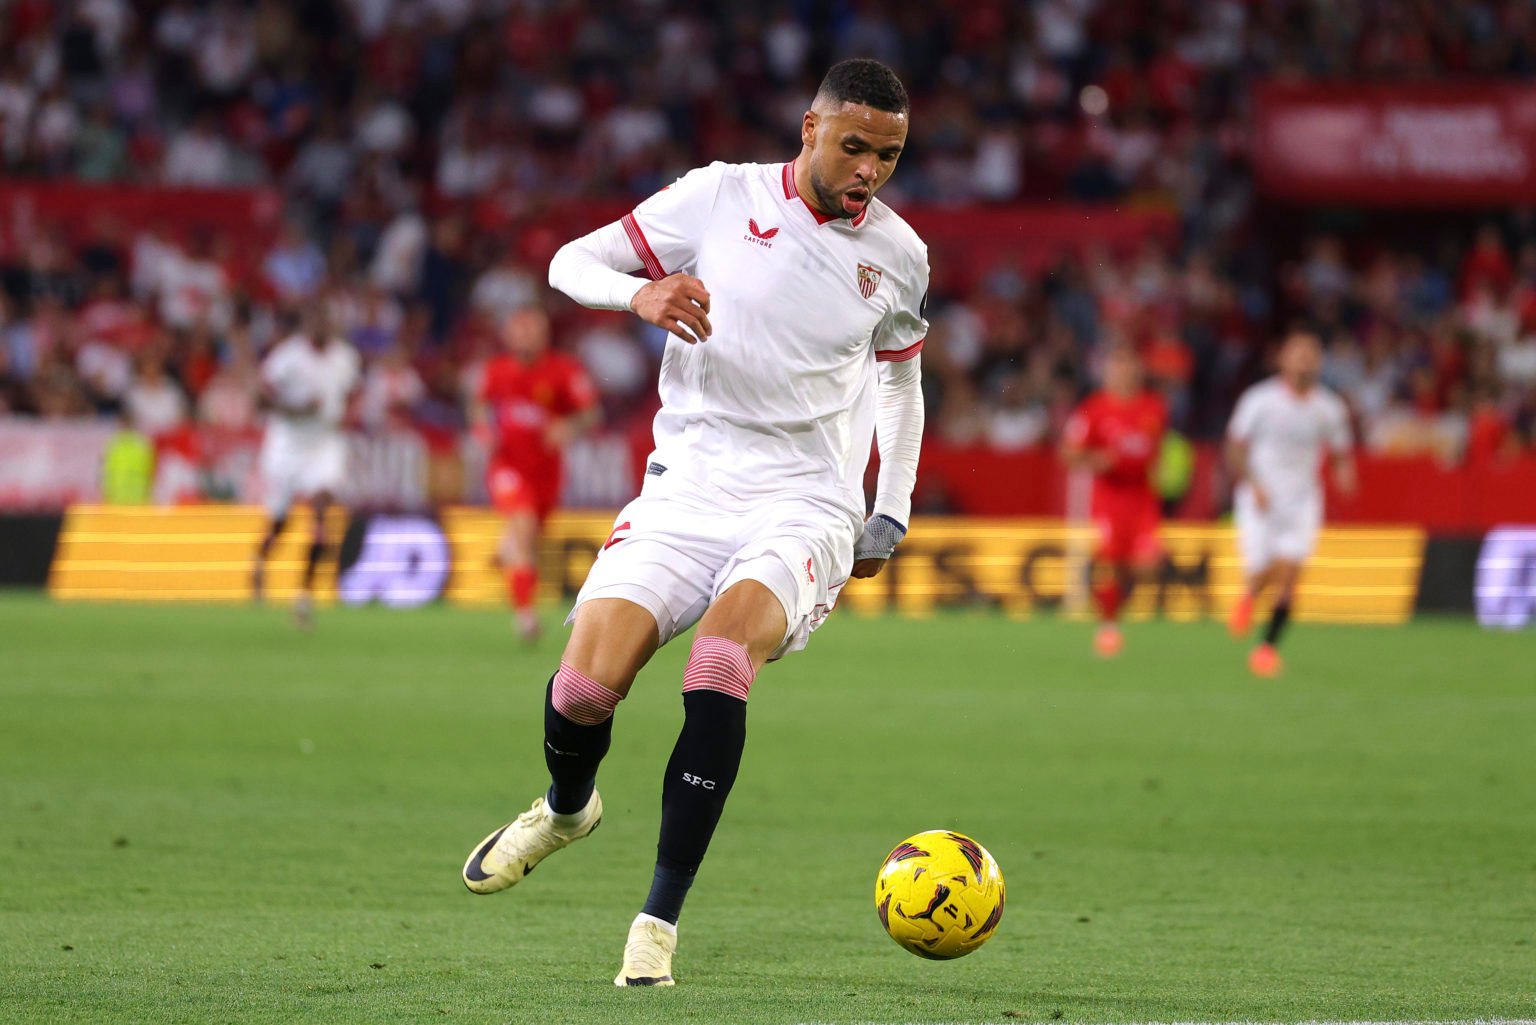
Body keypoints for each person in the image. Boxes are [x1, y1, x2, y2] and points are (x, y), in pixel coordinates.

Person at [459, 59, 928, 986]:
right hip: (688, 485)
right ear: (810, 129)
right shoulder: (718, 198)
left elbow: (900, 378)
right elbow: (567, 263)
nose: (870, 169)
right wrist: (640, 294)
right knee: (584, 692)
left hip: (805, 499)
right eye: (855, 146)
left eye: (889, 154)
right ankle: (566, 808)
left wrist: (892, 508)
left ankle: (656, 923)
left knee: (719, 663)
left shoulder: (900, 256)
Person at [1226, 330, 1357, 677]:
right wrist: (1253, 483)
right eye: (1298, 354)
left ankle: (1267, 648)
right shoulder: (1260, 400)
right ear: (1282, 359)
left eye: (1311, 355)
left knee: (1290, 573)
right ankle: (1249, 595)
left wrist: (1345, 474)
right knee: (1262, 571)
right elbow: (1235, 446)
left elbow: (1342, 451)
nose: (1305, 361)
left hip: (1302, 501)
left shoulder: (1329, 407)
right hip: (1260, 499)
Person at [473, 305, 600, 641]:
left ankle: (507, 553)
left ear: (544, 334)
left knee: (524, 539)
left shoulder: (564, 371)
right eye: (520, 328)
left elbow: (590, 414)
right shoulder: (496, 370)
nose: (525, 335)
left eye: (532, 329)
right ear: (508, 334)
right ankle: (526, 616)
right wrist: (483, 431)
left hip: (547, 471)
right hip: (507, 466)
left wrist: (567, 427)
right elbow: (478, 406)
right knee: (524, 525)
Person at [251, 307, 361, 628]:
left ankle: (304, 594)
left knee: (322, 508)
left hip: (325, 442)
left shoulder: (345, 357)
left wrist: (346, 413)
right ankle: (260, 559)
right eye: (316, 321)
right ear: (306, 325)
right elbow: (261, 398)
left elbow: (352, 391)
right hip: (288, 442)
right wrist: (295, 409)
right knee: (281, 520)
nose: (322, 327)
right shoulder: (286, 358)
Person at [1061, 346, 1168, 657]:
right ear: (1107, 372)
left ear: (1137, 370)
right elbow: (1068, 453)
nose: (1123, 372)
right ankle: (1108, 626)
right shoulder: (1093, 410)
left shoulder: (1154, 407)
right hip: (1109, 498)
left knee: (1145, 565)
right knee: (1111, 566)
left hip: (1142, 499)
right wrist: (1096, 460)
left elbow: (1158, 450)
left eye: (1128, 366)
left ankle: (1112, 612)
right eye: (1116, 366)